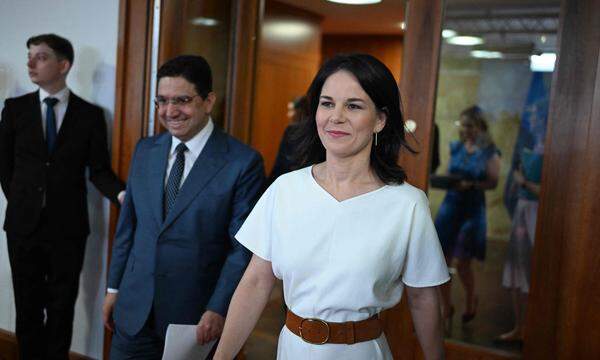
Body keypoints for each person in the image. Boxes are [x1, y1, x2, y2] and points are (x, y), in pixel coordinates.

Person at [213, 54, 449, 360]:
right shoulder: (286, 189)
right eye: (327, 103)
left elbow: (423, 299)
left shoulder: (406, 204)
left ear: (380, 119)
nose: (335, 116)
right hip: (292, 349)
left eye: (353, 105)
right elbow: (256, 282)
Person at [103, 55, 265, 359]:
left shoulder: (243, 163)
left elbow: (241, 249)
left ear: (208, 101)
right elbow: (128, 228)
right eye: (162, 101)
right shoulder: (145, 150)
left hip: (194, 319)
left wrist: (218, 307)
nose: (170, 111)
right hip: (133, 311)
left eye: (182, 100)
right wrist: (113, 289)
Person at [0, 33, 125, 360]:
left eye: (40, 56)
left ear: (63, 64)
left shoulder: (90, 115)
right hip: (22, 228)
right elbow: (5, 167)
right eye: (30, 56)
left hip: (68, 230)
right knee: (27, 308)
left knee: (61, 309)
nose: (30, 63)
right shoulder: (14, 110)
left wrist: (123, 195)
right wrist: (23, 203)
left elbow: (98, 171)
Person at [434, 106, 501, 325]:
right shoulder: (456, 147)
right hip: (450, 206)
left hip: (472, 209)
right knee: (441, 262)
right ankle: (446, 306)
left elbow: (493, 181)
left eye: (470, 125)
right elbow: (447, 171)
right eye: (462, 125)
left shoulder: (490, 151)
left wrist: (470, 184)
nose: (465, 130)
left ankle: (472, 299)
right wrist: (446, 180)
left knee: (463, 262)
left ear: (480, 127)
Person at [498, 145, 543, 342]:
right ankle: (520, 326)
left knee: (535, 270)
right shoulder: (526, 144)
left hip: (539, 212)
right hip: (523, 210)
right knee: (517, 268)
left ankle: (533, 328)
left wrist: (523, 182)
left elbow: (548, 190)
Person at [266, 96, 307, 186]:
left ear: (300, 111)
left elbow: (280, 165)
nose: (289, 114)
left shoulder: (292, 131)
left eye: (291, 110)